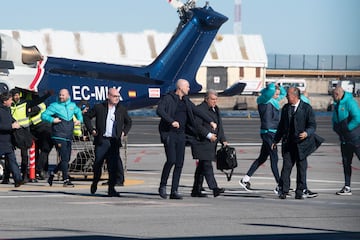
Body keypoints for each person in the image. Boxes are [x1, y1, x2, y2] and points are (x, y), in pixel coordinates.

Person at [157, 79, 217, 200]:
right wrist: (171, 121)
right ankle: (162, 186)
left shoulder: (186, 101)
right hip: (170, 133)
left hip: (181, 135)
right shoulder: (168, 98)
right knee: (171, 160)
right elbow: (160, 111)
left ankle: (174, 190)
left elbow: (197, 111)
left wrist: (210, 121)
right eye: (187, 87)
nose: (189, 89)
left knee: (179, 163)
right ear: (180, 88)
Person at [273, 87, 322, 199]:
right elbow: (281, 126)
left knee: (301, 168)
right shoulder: (285, 108)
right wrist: (276, 140)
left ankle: (300, 191)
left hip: (301, 144)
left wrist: (307, 133)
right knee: (286, 167)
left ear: (295, 96)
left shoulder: (306, 108)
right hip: (288, 144)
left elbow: (312, 125)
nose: (286, 97)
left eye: (288, 95)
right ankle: (283, 190)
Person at [84, 88, 132, 197]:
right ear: (108, 96)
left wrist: (124, 132)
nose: (117, 99)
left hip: (114, 141)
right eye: (115, 96)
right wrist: (92, 130)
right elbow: (86, 117)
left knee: (113, 166)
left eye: (118, 97)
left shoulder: (121, 109)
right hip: (102, 141)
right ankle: (95, 181)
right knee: (98, 164)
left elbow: (129, 122)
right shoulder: (99, 107)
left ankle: (111, 189)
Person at [239, 83, 286, 193]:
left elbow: (283, 93)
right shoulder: (264, 100)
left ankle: (245, 180)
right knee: (274, 159)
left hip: (273, 132)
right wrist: (272, 85)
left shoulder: (274, 101)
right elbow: (270, 91)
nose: (277, 95)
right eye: (276, 93)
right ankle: (280, 185)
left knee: (262, 158)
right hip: (268, 133)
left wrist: (279, 85)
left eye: (277, 94)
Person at [189, 89, 227, 198]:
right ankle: (214, 188)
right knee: (207, 165)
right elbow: (197, 126)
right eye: (212, 99)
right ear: (206, 99)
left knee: (201, 168)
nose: (215, 102)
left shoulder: (216, 109)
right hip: (201, 143)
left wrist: (223, 139)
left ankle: (196, 190)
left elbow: (220, 125)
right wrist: (208, 135)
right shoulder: (199, 109)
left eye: (216, 99)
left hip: (211, 144)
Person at [41, 89, 83, 187]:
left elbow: (79, 113)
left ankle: (53, 174)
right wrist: (52, 119)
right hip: (58, 135)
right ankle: (65, 180)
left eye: (63, 95)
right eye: (60, 95)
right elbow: (44, 115)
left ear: (68, 96)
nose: (61, 97)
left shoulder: (72, 106)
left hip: (68, 135)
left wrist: (79, 120)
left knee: (66, 159)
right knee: (64, 158)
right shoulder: (54, 106)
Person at [10, 89, 48, 181]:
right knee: (10, 153)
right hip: (13, 129)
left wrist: (47, 95)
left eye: (18, 95)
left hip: (24, 130)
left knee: (25, 155)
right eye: (15, 95)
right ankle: (7, 176)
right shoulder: (10, 105)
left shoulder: (25, 103)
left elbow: (37, 104)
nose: (16, 97)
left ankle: (25, 175)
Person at [332, 86, 360, 196]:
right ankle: (347, 186)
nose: (333, 97)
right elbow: (335, 119)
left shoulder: (350, 102)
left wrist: (347, 128)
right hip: (344, 140)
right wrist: (336, 128)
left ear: (338, 94)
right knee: (346, 163)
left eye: (334, 95)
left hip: (355, 138)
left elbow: (357, 118)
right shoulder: (337, 104)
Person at [0, 92, 23, 187]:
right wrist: (11, 126)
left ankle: (18, 179)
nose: (11, 101)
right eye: (10, 100)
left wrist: (15, 122)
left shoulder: (8, 109)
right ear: (4, 101)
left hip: (8, 140)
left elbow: (10, 118)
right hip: (0, 140)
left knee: (12, 160)